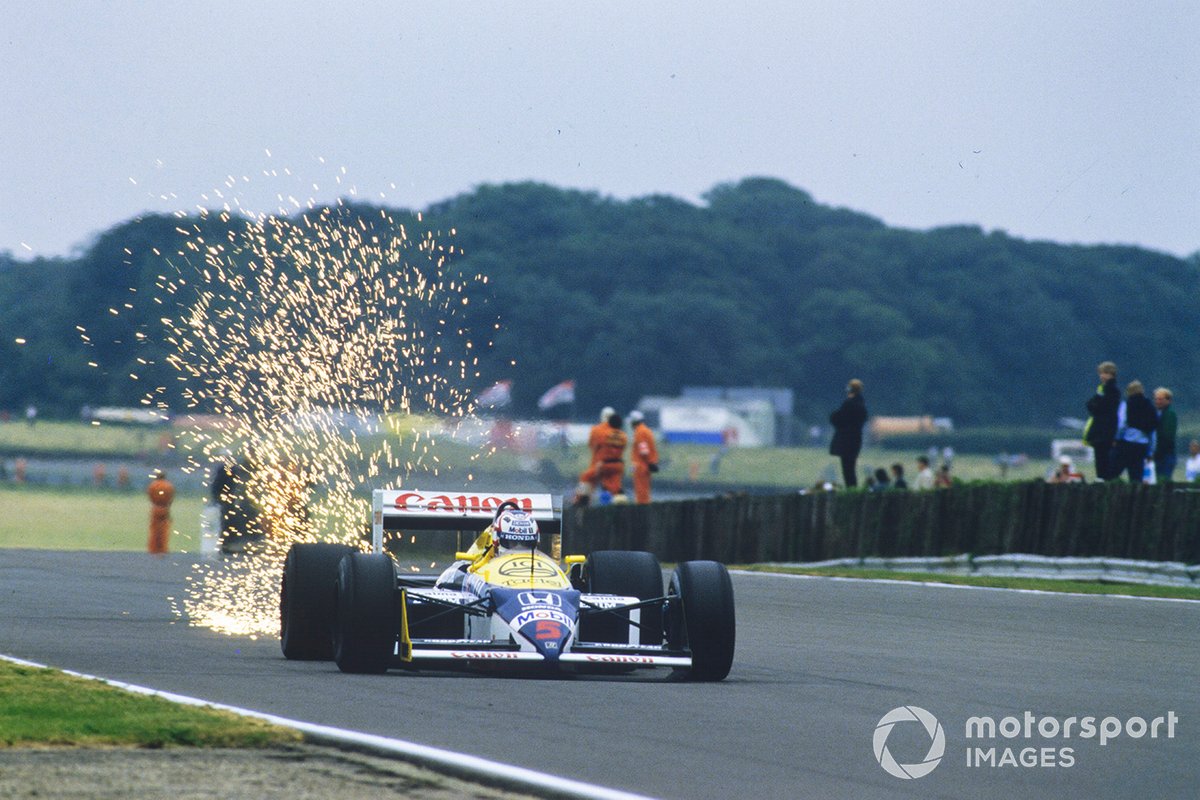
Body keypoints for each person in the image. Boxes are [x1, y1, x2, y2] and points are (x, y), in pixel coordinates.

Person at [1110, 380, 1157, 482]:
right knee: (1136, 476)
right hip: (1141, 446)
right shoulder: (1150, 407)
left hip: (1126, 444)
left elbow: (1121, 424)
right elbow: (1152, 431)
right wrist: (1150, 451)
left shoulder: (1126, 404)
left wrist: (1116, 438)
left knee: (1113, 472)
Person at [1083, 362, 1120, 480]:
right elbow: (1090, 404)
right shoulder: (1103, 389)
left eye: (1104, 373)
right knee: (1101, 459)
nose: (1102, 376)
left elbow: (1099, 407)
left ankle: (1103, 480)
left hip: (1104, 431)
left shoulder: (1111, 390)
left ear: (1111, 374)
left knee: (1102, 460)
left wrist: (1095, 405)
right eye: (1101, 373)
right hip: (1103, 430)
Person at [829, 379, 868, 488]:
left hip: (846, 440)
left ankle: (850, 489)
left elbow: (837, 418)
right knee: (851, 467)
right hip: (856, 440)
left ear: (850, 389)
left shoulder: (849, 404)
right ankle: (852, 489)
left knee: (847, 469)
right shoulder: (862, 404)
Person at [629, 410, 659, 504]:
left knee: (641, 492)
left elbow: (643, 450)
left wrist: (650, 462)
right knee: (645, 491)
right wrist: (652, 463)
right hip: (646, 465)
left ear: (633, 422)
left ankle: (641, 512)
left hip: (641, 466)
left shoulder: (639, 432)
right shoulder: (646, 430)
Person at [1152, 387, 1178, 483]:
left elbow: (1167, 435)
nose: (1157, 401)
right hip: (1159, 454)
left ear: (1168, 400)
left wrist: (1158, 451)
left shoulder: (1170, 414)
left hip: (1165, 454)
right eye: (1156, 399)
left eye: (1160, 399)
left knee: (1164, 481)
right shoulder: (1156, 413)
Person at [146, 469, 174, 556]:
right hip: (165, 508)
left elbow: (150, 496)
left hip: (156, 508)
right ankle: (163, 548)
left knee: (154, 529)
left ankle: (153, 549)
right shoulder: (169, 486)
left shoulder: (153, 485)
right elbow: (171, 497)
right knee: (164, 529)